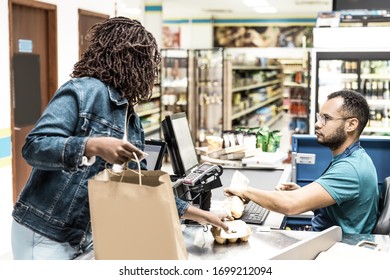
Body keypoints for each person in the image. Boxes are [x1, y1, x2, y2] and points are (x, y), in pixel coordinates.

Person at [11, 17, 230, 260]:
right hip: (47, 231)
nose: (151, 72)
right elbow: (35, 146)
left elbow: (142, 187)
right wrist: (91, 146)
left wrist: (199, 214)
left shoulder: (131, 119)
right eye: (146, 62)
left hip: (87, 234)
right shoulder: (84, 91)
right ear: (128, 61)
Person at [225, 89, 379, 234]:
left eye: (326, 118)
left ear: (351, 124)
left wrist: (245, 191)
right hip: (331, 237)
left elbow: (290, 205)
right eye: (319, 117)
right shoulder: (355, 157)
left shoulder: (350, 169)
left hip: (338, 249)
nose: (318, 124)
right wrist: (304, 194)